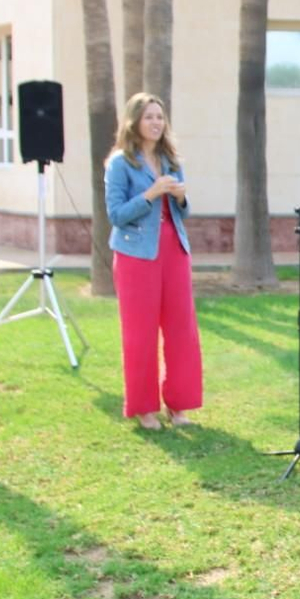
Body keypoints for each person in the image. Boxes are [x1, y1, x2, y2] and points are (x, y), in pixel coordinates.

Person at [104, 93, 202, 432]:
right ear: (134, 122)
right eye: (149, 117)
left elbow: (184, 211)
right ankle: (145, 408)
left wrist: (179, 196)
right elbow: (115, 214)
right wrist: (150, 193)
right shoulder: (120, 163)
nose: (156, 123)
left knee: (181, 331)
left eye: (160, 117)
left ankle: (179, 405)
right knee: (140, 334)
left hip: (174, 251)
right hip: (136, 256)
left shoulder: (170, 159)